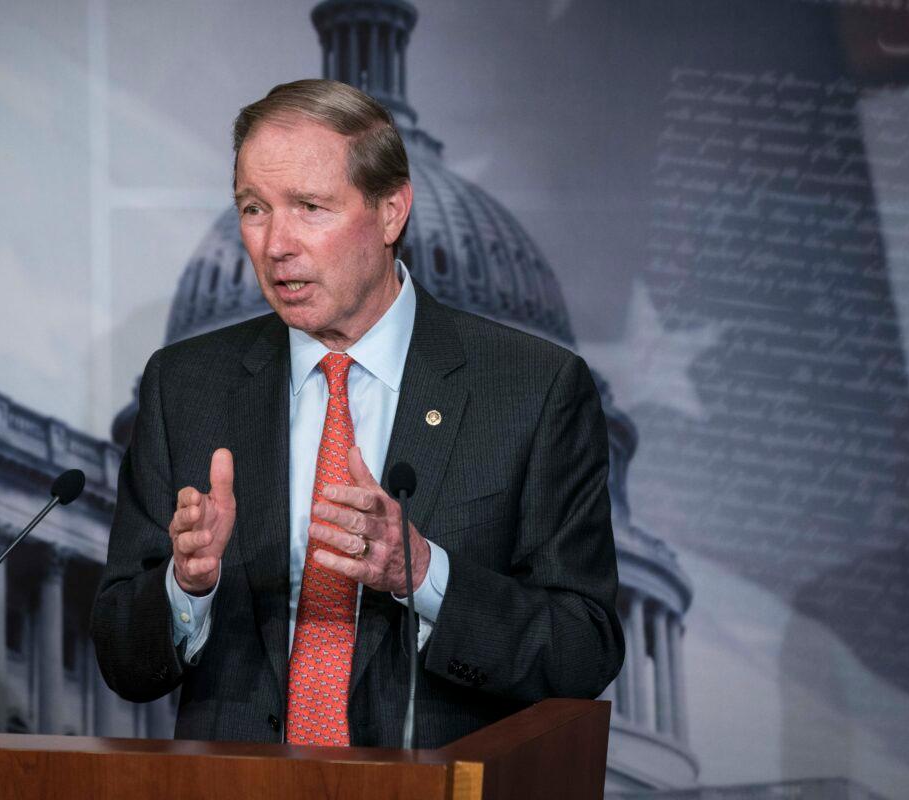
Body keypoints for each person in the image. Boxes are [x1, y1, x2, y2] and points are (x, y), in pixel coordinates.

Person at [92, 78, 623, 749]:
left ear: (391, 211)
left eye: (310, 207)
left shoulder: (534, 390)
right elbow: (120, 656)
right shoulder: (184, 386)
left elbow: (584, 650)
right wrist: (184, 588)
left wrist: (427, 575)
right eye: (254, 209)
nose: (275, 243)